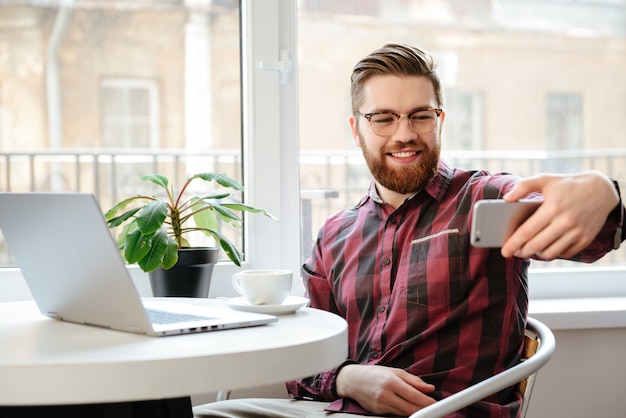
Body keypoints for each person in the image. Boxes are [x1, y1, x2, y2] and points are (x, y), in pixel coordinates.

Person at [194, 43, 625, 418]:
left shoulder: (487, 199)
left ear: (440, 119)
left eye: (420, 115)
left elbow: (592, 231)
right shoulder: (335, 235)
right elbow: (305, 358)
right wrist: (349, 378)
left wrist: (605, 194)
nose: (405, 134)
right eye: (383, 117)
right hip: (328, 408)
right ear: (356, 128)